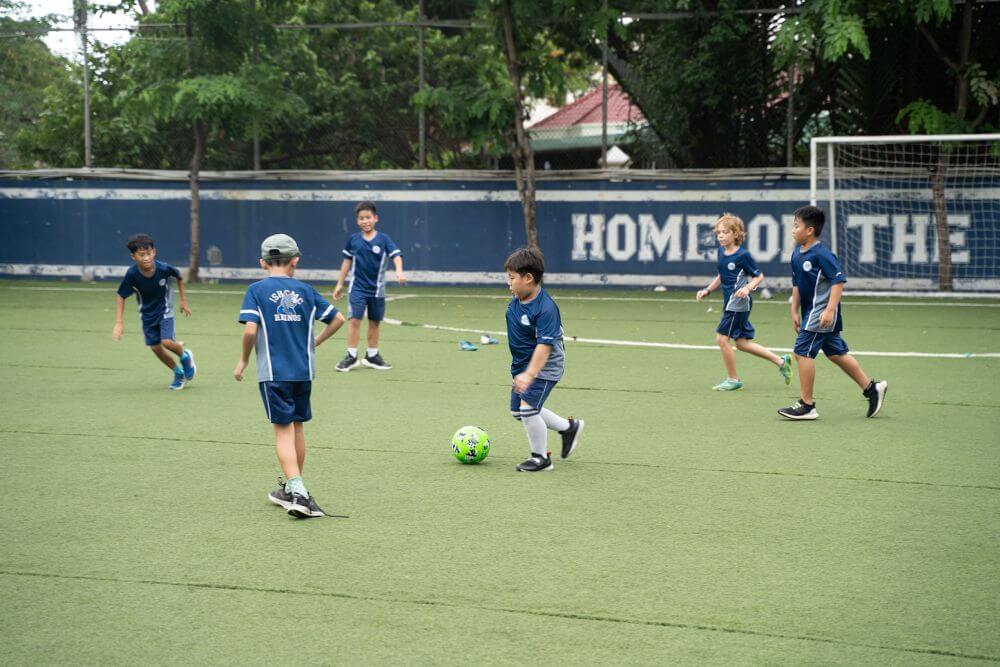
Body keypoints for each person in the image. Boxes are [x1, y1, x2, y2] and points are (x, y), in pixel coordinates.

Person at [234, 234, 345, 518]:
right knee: (297, 427)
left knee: (282, 430)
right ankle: (294, 487)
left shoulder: (256, 290)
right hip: (303, 372)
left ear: (262, 263)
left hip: (273, 373)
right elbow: (338, 319)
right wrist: (315, 342)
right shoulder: (306, 292)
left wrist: (244, 360)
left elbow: (249, 330)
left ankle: (297, 491)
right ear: (296, 260)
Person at [778, 205, 888, 420]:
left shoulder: (822, 254)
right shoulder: (796, 255)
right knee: (836, 353)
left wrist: (829, 310)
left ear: (809, 230)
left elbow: (838, 281)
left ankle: (807, 405)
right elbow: (797, 284)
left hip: (821, 313)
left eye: (796, 226)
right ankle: (871, 389)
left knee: (802, 353)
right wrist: (793, 309)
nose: (792, 229)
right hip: (809, 312)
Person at [504, 246, 583, 472]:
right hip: (523, 366)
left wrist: (529, 374)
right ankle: (569, 428)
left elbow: (545, 345)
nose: (508, 283)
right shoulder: (519, 299)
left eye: (511, 278)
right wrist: (521, 370)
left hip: (544, 367)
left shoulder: (546, 309)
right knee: (518, 412)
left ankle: (541, 458)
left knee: (528, 409)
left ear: (528, 278)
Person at [696, 213, 792, 391]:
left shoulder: (742, 255)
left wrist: (747, 288)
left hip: (738, 303)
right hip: (730, 302)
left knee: (722, 339)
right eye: (718, 233)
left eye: (725, 232)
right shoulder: (721, 252)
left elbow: (759, 276)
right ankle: (781, 361)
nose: (721, 236)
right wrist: (708, 290)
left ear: (736, 233)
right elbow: (721, 275)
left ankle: (733, 379)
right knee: (741, 344)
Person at [112, 233, 195, 390]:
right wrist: (119, 322)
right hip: (147, 315)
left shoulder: (163, 269)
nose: (146, 258)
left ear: (154, 252)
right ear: (133, 256)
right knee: (156, 348)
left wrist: (184, 301)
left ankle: (185, 357)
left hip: (165, 310)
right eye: (141, 255)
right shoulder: (132, 275)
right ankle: (178, 373)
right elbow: (121, 295)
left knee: (166, 341)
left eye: (149, 253)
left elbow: (178, 276)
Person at [332, 201, 406, 371]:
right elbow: (346, 263)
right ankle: (351, 356)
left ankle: (372, 356)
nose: (365, 221)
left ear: (375, 218)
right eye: (361, 218)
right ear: (357, 221)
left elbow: (396, 256)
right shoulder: (353, 240)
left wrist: (399, 271)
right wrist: (339, 284)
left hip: (377, 290)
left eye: (368, 217)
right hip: (357, 288)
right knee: (354, 321)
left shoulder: (384, 239)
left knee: (374, 322)